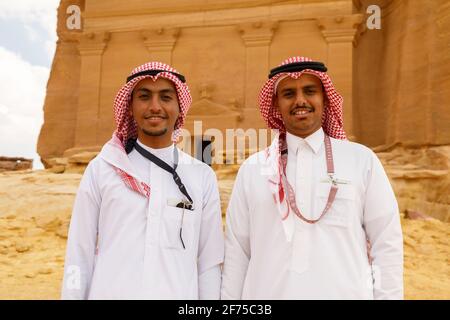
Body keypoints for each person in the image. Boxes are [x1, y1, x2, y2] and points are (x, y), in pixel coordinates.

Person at [221, 56, 403, 299]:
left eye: (309, 91)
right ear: (276, 104)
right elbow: (237, 252)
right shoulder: (253, 169)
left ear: (325, 99)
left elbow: (386, 242)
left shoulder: (361, 161)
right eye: (288, 94)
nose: (300, 101)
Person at [61, 62, 224, 299]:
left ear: (180, 107)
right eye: (144, 97)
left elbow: (209, 263)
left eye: (166, 97)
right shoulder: (103, 168)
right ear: (129, 107)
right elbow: (79, 252)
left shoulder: (201, 176)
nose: (155, 107)